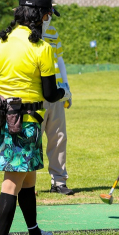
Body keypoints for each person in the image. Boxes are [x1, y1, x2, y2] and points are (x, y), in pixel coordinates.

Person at [0, 0, 71, 235]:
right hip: (25, 123)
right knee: (11, 184)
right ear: (42, 16)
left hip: (3, 120)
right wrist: (64, 91)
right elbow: (50, 93)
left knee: (28, 180)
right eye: (48, 14)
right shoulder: (42, 48)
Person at [42, 12, 74, 195]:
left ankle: (59, 181)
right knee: (33, 138)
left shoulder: (53, 31)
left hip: (56, 92)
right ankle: (25, 184)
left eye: (51, 13)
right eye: (47, 13)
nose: (49, 17)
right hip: (35, 94)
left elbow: (59, 60)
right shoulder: (25, 33)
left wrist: (67, 88)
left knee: (59, 137)